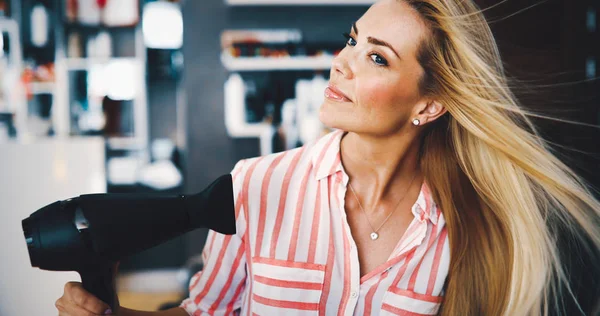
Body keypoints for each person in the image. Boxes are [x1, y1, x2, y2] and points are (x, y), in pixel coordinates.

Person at [55, 0, 600, 315]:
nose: (342, 63)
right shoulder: (253, 187)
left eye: (377, 58)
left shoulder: (464, 227)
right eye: (352, 39)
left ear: (429, 104)